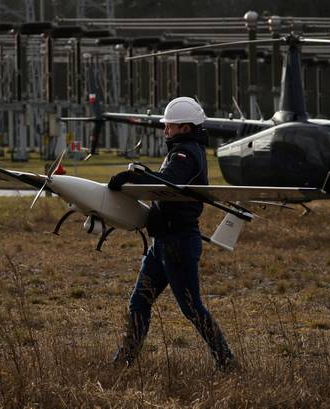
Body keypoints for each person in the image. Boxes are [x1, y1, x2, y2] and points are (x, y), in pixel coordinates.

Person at [107, 97, 235, 370]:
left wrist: (133, 177)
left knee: (191, 307)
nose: (166, 130)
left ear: (186, 128)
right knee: (139, 301)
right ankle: (125, 360)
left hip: (177, 243)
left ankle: (226, 361)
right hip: (162, 243)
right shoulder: (186, 150)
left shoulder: (185, 154)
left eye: (171, 126)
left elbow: (164, 183)